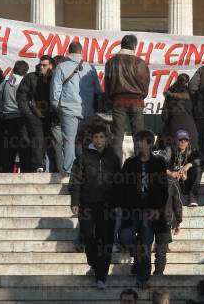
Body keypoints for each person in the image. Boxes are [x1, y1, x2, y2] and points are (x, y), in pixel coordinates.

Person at [69, 124, 121, 289]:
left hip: (108, 206)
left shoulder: (113, 157)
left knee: (106, 241)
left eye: (101, 137)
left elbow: (119, 183)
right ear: (92, 139)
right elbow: (76, 180)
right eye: (96, 137)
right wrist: (75, 201)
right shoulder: (83, 157)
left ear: (106, 139)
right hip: (87, 205)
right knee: (89, 237)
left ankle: (101, 277)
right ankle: (93, 263)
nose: (99, 140)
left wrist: (119, 204)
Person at [117, 130, 168, 289]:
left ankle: (143, 279)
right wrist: (120, 207)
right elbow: (122, 187)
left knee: (146, 243)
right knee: (125, 237)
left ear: (150, 144)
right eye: (137, 140)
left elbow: (163, 189)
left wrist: (158, 210)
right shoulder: (130, 163)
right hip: (131, 210)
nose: (138, 144)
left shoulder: (158, 163)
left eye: (142, 141)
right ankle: (138, 258)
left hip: (150, 211)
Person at [51, 42, 102, 174]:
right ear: (81, 52)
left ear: (68, 51)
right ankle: (88, 169)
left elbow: (54, 93)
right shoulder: (90, 68)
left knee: (69, 141)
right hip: (87, 111)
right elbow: (98, 90)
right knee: (86, 142)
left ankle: (69, 171)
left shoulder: (61, 67)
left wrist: (60, 109)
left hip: (68, 110)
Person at [105, 34, 150, 161]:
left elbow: (107, 85)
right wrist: (140, 96)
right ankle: (139, 168)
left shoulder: (111, 62)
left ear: (121, 45)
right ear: (134, 46)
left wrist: (112, 98)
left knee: (117, 137)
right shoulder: (141, 63)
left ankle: (116, 169)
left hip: (118, 101)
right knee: (139, 137)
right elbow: (146, 84)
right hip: (137, 101)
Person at [17, 55, 55, 173]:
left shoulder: (55, 78)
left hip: (51, 116)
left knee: (50, 142)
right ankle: (39, 166)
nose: (41, 67)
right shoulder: (30, 77)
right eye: (40, 64)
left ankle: (51, 166)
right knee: (37, 139)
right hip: (34, 115)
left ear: (51, 66)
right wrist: (28, 113)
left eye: (44, 65)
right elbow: (21, 96)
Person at [153, 141, 183, 276]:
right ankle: (158, 273)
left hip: (152, 218)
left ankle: (141, 270)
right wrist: (178, 222)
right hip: (165, 218)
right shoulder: (172, 181)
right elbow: (177, 203)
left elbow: (177, 202)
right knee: (161, 249)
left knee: (146, 244)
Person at [0, 60, 31, 173]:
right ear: (25, 72)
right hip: (21, 119)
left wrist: (2, 111)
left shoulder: (5, 83)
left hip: (7, 119)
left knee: (8, 150)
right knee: (24, 149)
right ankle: (26, 172)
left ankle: (7, 172)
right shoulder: (25, 83)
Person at [161, 129, 200, 206]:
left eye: (186, 140)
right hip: (173, 183)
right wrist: (170, 173)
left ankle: (192, 196)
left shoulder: (192, 151)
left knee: (198, 169)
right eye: (180, 140)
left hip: (186, 182)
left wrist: (188, 166)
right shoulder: (169, 150)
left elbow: (201, 161)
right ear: (175, 141)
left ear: (188, 142)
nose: (183, 142)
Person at [161, 73, 198, 151]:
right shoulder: (192, 94)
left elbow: (164, 116)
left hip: (173, 130)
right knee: (192, 156)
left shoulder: (169, 94)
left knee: (172, 156)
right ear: (187, 82)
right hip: (191, 130)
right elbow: (197, 114)